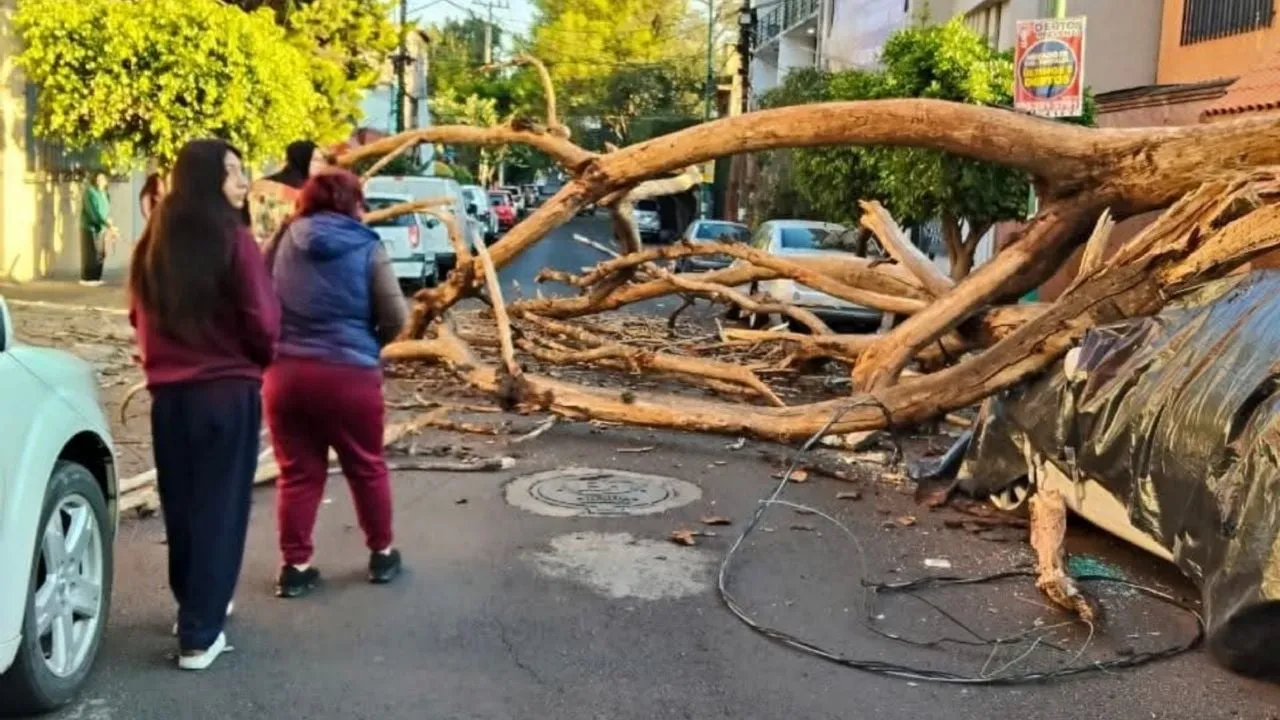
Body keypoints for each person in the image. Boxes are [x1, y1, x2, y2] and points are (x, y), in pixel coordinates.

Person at [128, 139, 279, 671]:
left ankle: (195, 605)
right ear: (203, 179)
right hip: (226, 391)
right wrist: (259, 359)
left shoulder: (153, 241)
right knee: (220, 508)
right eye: (231, 172)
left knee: (185, 506)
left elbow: (135, 314)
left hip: (168, 397)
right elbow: (264, 319)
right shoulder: (234, 241)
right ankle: (199, 633)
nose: (242, 182)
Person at [262, 169, 406, 598]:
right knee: (366, 466)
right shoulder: (368, 246)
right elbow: (396, 317)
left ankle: (295, 566)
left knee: (298, 474)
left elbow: (257, 297)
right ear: (352, 203)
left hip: (286, 374)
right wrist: (367, 344)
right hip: (350, 375)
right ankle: (381, 555)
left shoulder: (282, 238)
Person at [249, 140, 330, 246]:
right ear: (303, 160)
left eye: (322, 160)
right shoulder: (306, 194)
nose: (322, 165)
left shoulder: (260, 184)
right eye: (316, 160)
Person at [79, 172, 115, 286]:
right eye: (98, 178)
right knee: (91, 253)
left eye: (103, 178)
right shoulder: (90, 192)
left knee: (100, 253)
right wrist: (105, 222)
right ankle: (88, 278)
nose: (101, 181)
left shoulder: (105, 194)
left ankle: (97, 277)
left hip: (101, 228)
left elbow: (106, 211)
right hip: (90, 228)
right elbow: (93, 212)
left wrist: (108, 222)